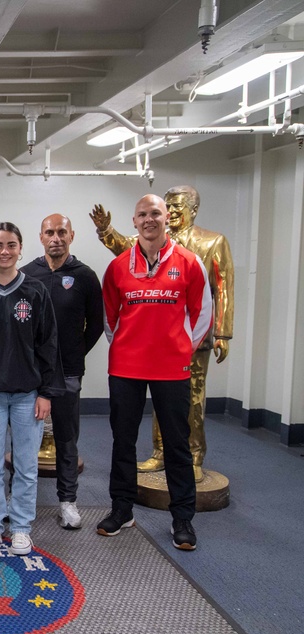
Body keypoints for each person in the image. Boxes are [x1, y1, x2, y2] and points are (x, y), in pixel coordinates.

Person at [91, 186, 233, 481]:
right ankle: (159, 453)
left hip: (190, 340)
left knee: (191, 402)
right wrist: (106, 230)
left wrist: (221, 333)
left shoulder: (210, 242)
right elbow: (112, 311)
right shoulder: (138, 247)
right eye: (144, 214)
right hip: (142, 352)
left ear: (187, 210)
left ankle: (193, 455)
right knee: (154, 412)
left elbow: (221, 289)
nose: (152, 218)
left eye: (172, 208)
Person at [99, 195, 212, 551]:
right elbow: (109, 318)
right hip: (126, 367)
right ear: (134, 221)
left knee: (177, 445)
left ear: (168, 219)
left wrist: (179, 349)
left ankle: (182, 519)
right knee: (123, 441)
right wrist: (129, 347)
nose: (150, 220)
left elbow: (203, 314)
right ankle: (122, 509)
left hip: (172, 368)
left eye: (156, 214)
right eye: (143, 214)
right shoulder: (117, 267)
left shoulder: (190, 263)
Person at [0, 223, 63, 557]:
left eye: (10, 245)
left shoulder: (35, 292)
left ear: (20, 248)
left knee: (25, 466)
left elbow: (49, 345)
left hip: (28, 395)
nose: (4, 252)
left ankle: (21, 527)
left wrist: (47, 392)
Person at [21, 214, 103, 529]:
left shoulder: (84, 276)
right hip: (31, 372)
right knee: (27, 438)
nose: (56, 237)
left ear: (72, 235)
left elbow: (96, 325)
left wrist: (75, 352)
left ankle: (68, 502)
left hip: (68, 371)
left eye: (62, 232)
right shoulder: (27, 274)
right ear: (41, 237)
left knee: (67, 440)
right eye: (50, 232)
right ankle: (20, 498)